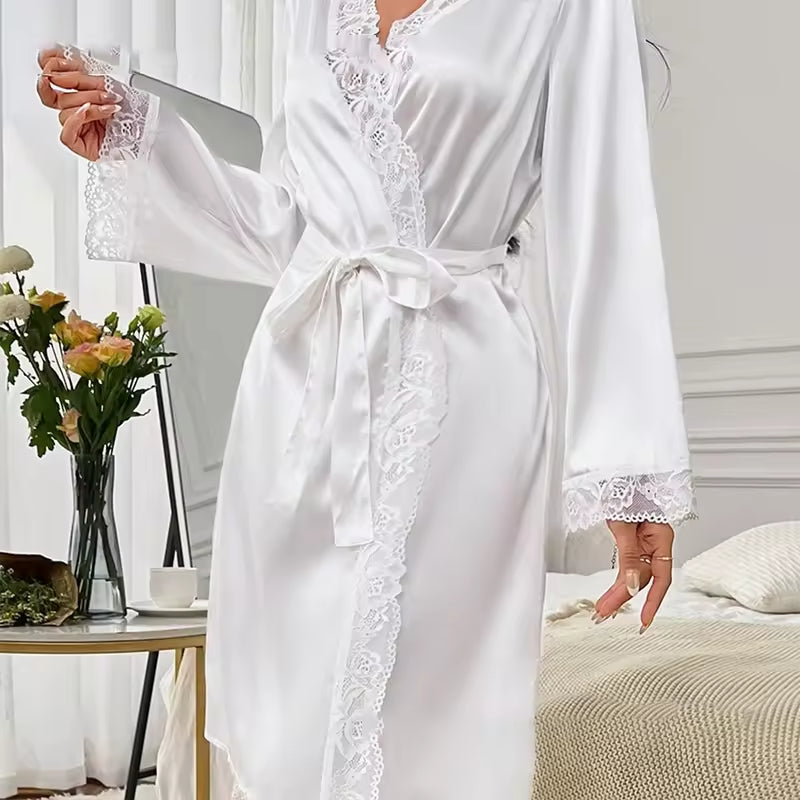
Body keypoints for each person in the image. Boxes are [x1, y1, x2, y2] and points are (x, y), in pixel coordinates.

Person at [37, 1, 696, 797]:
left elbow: (606, 220)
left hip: (464, 389)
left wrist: (630, 476)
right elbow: (297, 232)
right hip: (302, 390)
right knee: (295, 714)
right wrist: (137, 135)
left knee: (437, 713)